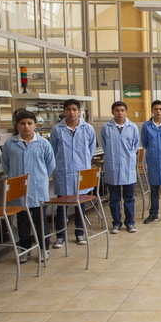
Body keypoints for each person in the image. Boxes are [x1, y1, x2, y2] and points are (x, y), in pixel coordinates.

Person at [1, 110, 55, 262]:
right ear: (17, 126)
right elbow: (5, 164)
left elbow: (50, 165)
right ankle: (25, 249)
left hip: (37, 188)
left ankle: (44, 249)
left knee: (40, 221)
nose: (26, 127)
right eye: (22, 123)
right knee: (22, 222)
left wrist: (40, 178)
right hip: (18, 190)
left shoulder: (43, 143)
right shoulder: (10, 144)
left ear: (35, 125)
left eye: (29, 123)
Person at [50, 99, 96, 249]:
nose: (71, 112)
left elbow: (91, 149)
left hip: (81, 171)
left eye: (74, 109)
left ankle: (79, 233)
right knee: (61, 206)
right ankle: (61, 236)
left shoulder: (88, 128)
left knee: (80, 205)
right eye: (68, 109)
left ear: (79, 111)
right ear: (64, 111)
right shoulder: (57, 130)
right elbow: (53, 150)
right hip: (63, 172)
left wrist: (83, 163)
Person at [101, 101, 140, 234]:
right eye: (117, 110)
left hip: (128, 167)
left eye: (122, 110)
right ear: (112, 112)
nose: (120, 113)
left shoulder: (133, 127)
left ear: (126, 112)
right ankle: (116, 223)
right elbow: (105, 146)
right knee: (114, 198)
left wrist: (128, 157)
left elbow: (135, 146)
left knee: (129, 198)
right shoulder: (106, 128)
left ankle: (130, 223)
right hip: (112, 167)